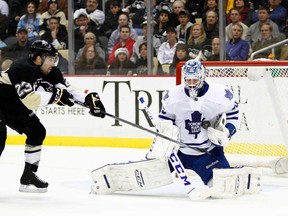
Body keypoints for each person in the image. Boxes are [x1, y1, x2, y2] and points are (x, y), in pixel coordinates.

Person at [0, 39, 106, 193]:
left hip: (14, 105)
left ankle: (29, 176)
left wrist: (89, 99)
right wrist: (56, 97)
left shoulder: (50, 72)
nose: (53, 63)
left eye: (54, 59)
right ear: (38, 58)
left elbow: (67, 89)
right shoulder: (21, 68)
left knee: (37, 132)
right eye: (50, 59)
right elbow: (30, 100)